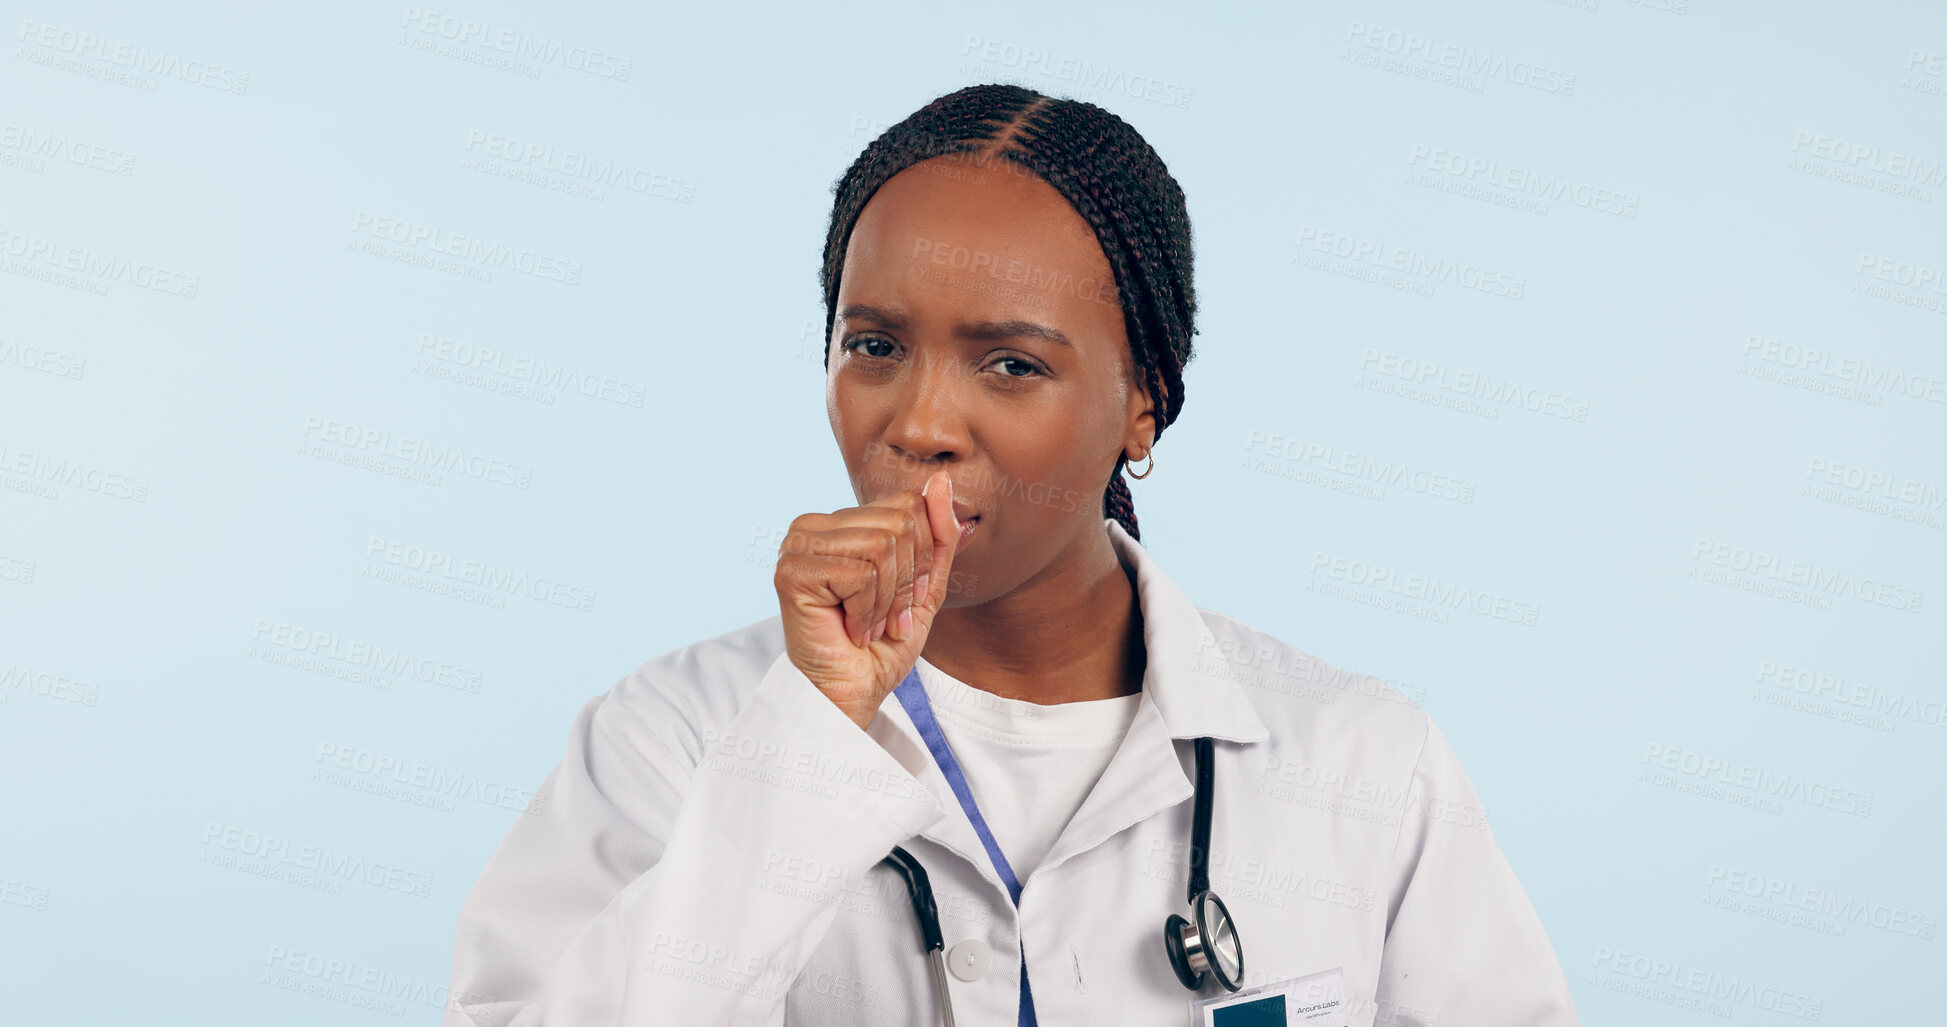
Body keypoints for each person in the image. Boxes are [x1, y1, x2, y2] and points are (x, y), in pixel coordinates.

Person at [441, 83, 1578, 1027]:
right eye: (874, 345)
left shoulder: (1364, 765)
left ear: (1144, 403)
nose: (921, 421)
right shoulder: (668, 741)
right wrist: (802, 744)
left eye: (1012, 365)